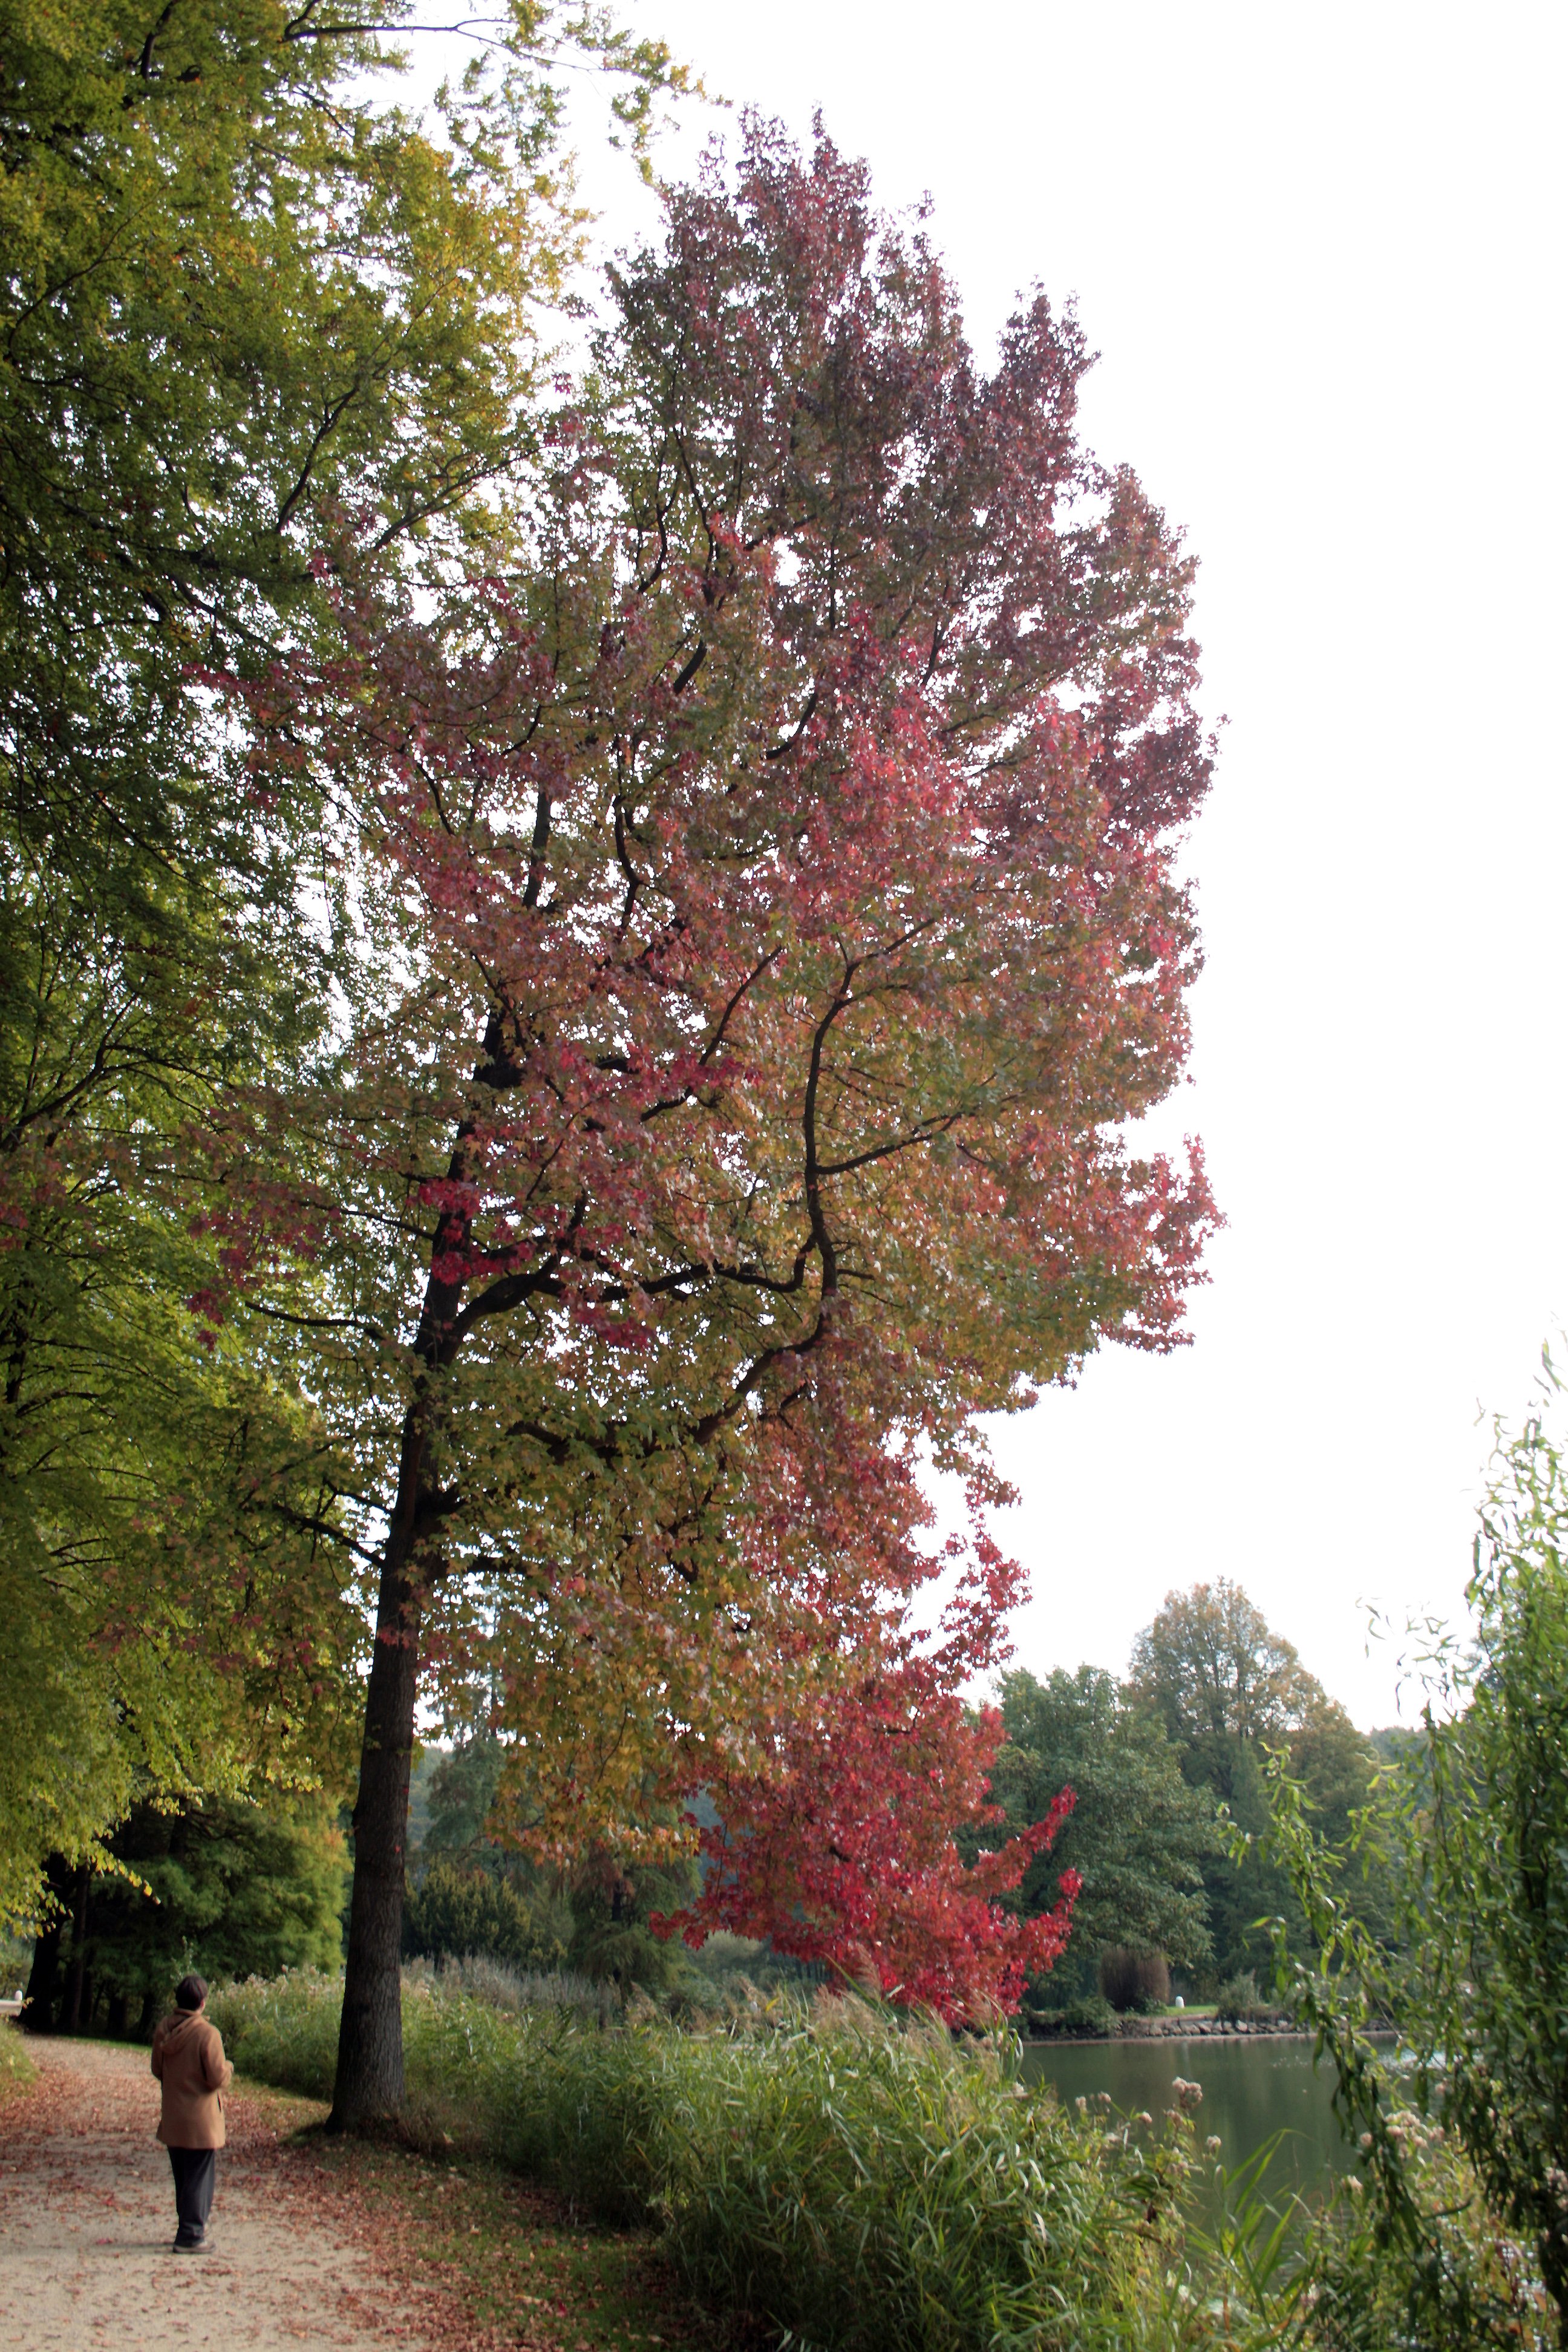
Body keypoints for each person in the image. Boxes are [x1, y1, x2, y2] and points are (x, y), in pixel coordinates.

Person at [150, 1973, 233, 2252]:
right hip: (201, 2120)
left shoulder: (164, 2028)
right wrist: (229, 2067)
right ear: (202, 2002)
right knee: (199, 2177)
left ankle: (186, 2228)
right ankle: (192, 2235)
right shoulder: (207, 2034)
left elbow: (157, 2069)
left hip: (174, 2115)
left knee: (184, 2177)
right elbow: (216, 2078)